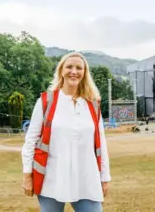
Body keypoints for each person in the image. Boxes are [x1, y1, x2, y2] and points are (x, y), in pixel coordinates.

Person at [21, 52, 111, 212]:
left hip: (86, 178)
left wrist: (105, 178)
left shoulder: (93, 104)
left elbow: (101, 145)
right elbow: (30, 141)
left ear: (84, 73)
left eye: (79, 68)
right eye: (69, 67)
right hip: (52, 178)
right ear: (61, 70)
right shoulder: (46, 101)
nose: (74, 71)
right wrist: (27, 176)